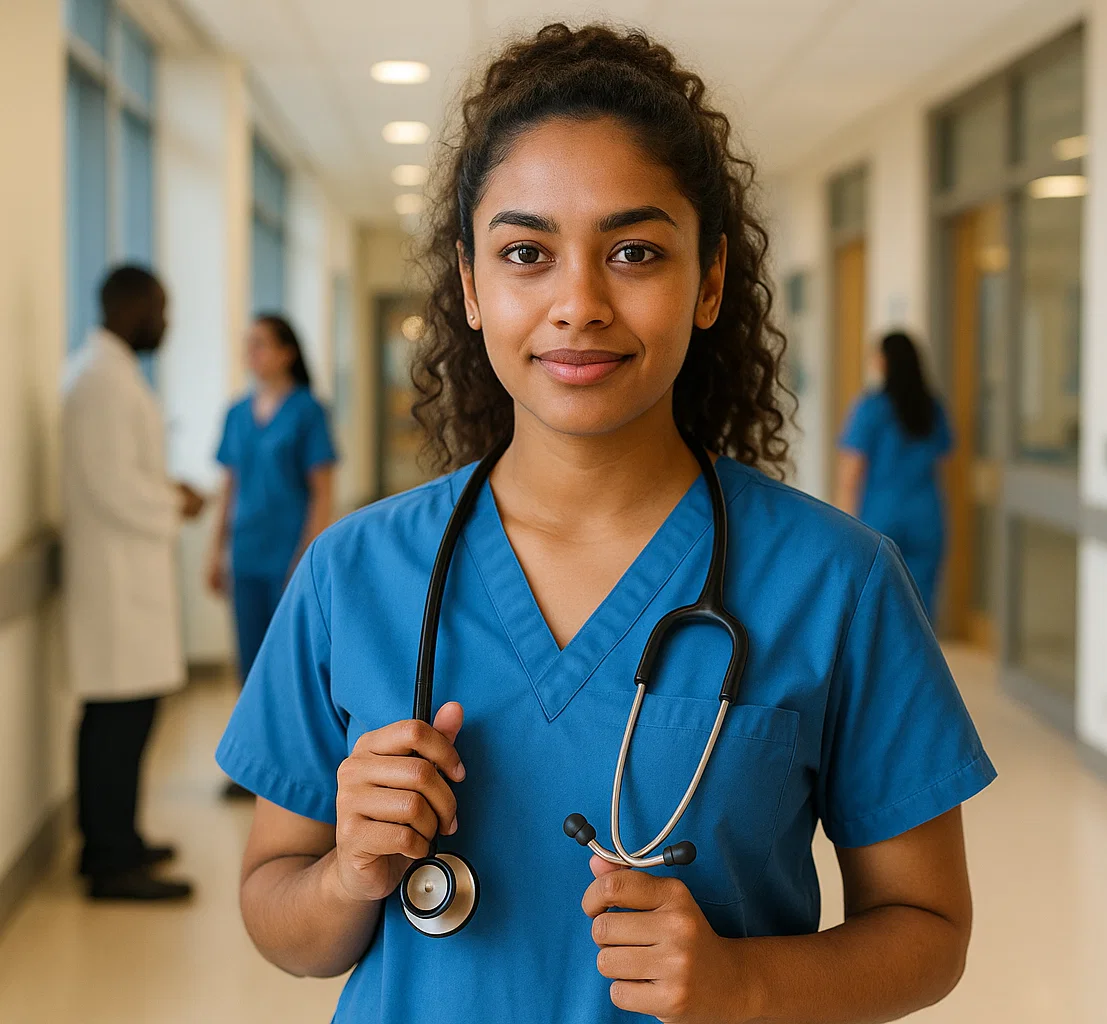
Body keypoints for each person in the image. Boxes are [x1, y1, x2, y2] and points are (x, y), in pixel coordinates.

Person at [216, 24, 994, 1023]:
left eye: (634, 250)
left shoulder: (836, 582)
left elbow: (929, 930)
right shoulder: (352, 574)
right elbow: (276, 913)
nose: (577, 303)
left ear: (710, 280)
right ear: (470, 283)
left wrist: (746, 983)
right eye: (527, 253)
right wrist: (345, 873)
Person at [61, 264, 200, 901]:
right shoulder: (97, 382)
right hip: (115, 587)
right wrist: (175, 504)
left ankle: (120, 838)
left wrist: (167, 495)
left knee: (126, 722)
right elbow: (112, 488)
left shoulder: (110, 376)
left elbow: (120, 476)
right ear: (131, 306)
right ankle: (109, 859)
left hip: (126, 580)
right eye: (161, 309)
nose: (167, 323)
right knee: (115, 724)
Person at [206, 314, 336, 798]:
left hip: (289, 554)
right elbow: (230, 487)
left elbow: (322, 490)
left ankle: (290, 773)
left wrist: (308, 555)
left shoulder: (307, 412)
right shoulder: (237, 413)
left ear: (286, 352)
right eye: (247, 345)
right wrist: (215, 551)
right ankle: (250, 767)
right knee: (247, 661)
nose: (251, 353)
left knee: (284, 664)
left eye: (260, 344)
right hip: (246, 554)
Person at [835, 331, 953, 615]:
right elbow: (942, 457)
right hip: (926, 515)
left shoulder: (871, 408)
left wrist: (841, 526)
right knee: (922, 606)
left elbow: (850, 474)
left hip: (881, 516)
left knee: (879, 607)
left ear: (885, 362)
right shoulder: (931, 407)